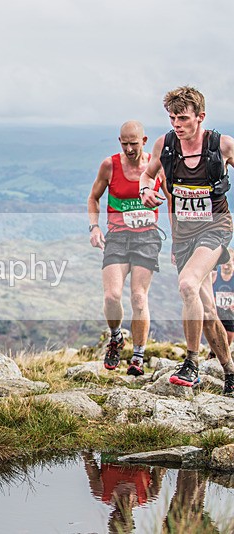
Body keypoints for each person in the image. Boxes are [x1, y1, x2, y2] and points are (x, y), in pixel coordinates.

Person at [140, 86, 234, 396]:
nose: (176, 125)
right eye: (171, 118)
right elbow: (148, 175)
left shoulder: (221, 146)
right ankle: (230, 371)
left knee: (187, 285)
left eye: (183, 118)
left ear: (200, 117)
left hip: (216, 228)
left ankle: (191, 364)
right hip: (183, 237)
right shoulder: (165, 145)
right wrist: (146, 191)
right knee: (205, 307)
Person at [88, 121, 166, 375]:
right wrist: (94, 227)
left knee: (138, 297)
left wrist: (181, 235)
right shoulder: (110, 165)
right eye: (125, 143)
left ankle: (138, 356)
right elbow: (93, 197)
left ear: (144, 141)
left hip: (147, 238)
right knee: (112, 295)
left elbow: (174, 199)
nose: (130, 148)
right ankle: (115, 337)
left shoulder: (157, 166)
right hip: (118, 237)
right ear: (119, 142)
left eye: (134, 143)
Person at [209, 248, 234, 357]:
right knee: (216, 334)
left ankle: (224, 356)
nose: (225, 266)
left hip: (230, 312)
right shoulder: (214, 276)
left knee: (228, 336)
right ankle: (213, 354)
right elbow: (207, 290)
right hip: (216, 311)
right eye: (223, 264)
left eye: (228, 263)